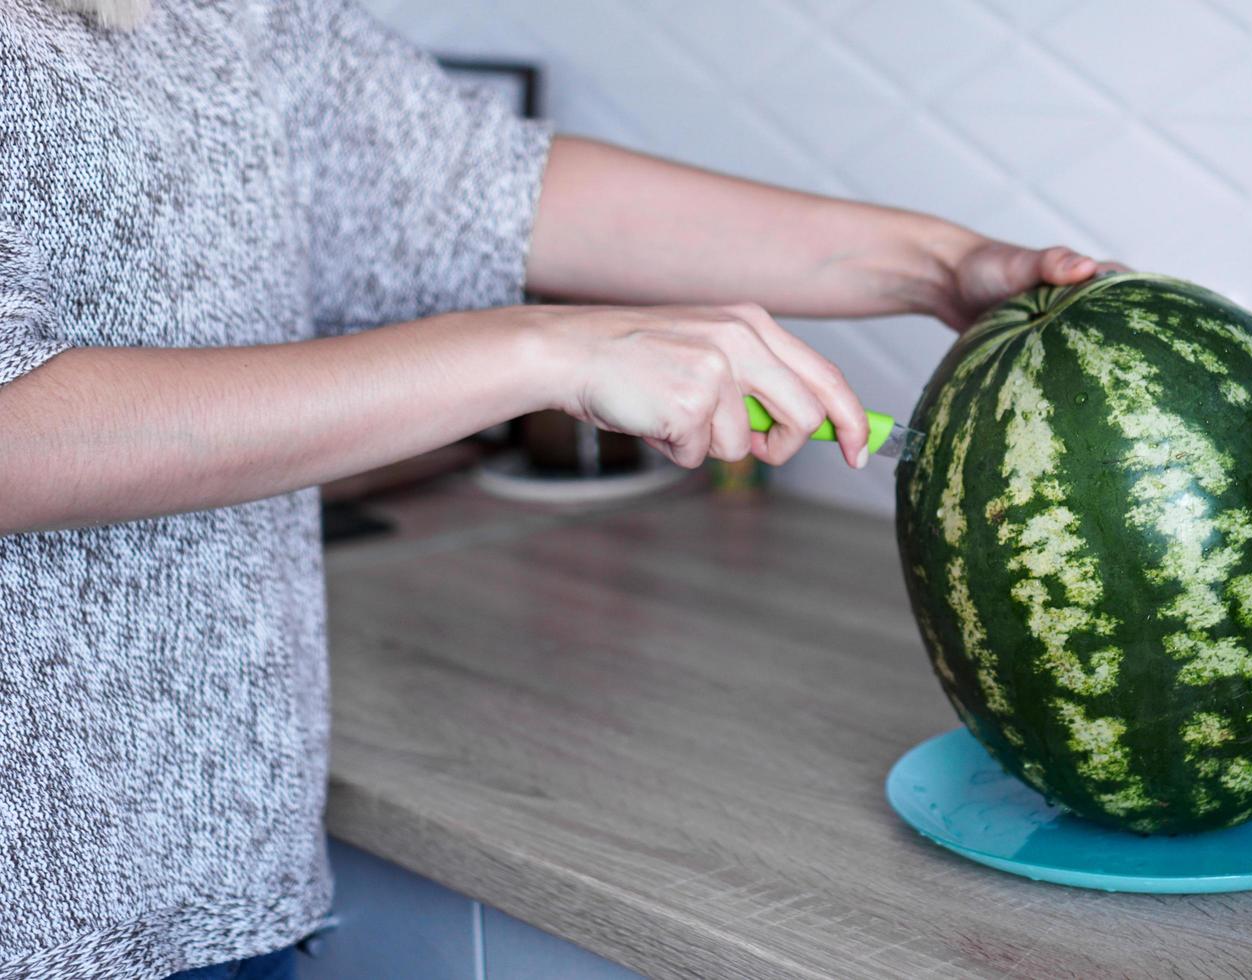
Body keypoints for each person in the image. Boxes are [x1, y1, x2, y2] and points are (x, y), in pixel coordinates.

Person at [0, 0, 1116, 977]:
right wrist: (544, 354)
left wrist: (944, 266)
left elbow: (489, 191)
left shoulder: (232, 15)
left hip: (217, 865)